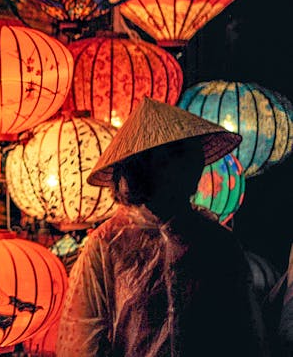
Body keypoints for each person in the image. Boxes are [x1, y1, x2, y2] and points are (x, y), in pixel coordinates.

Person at [56, 97, 268, 356]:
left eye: (189, 160)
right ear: (142, 172)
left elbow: (242, 332)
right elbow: (83, 340)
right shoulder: (107, 244)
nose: (191, 172)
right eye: (171, 163)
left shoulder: (217, 243)